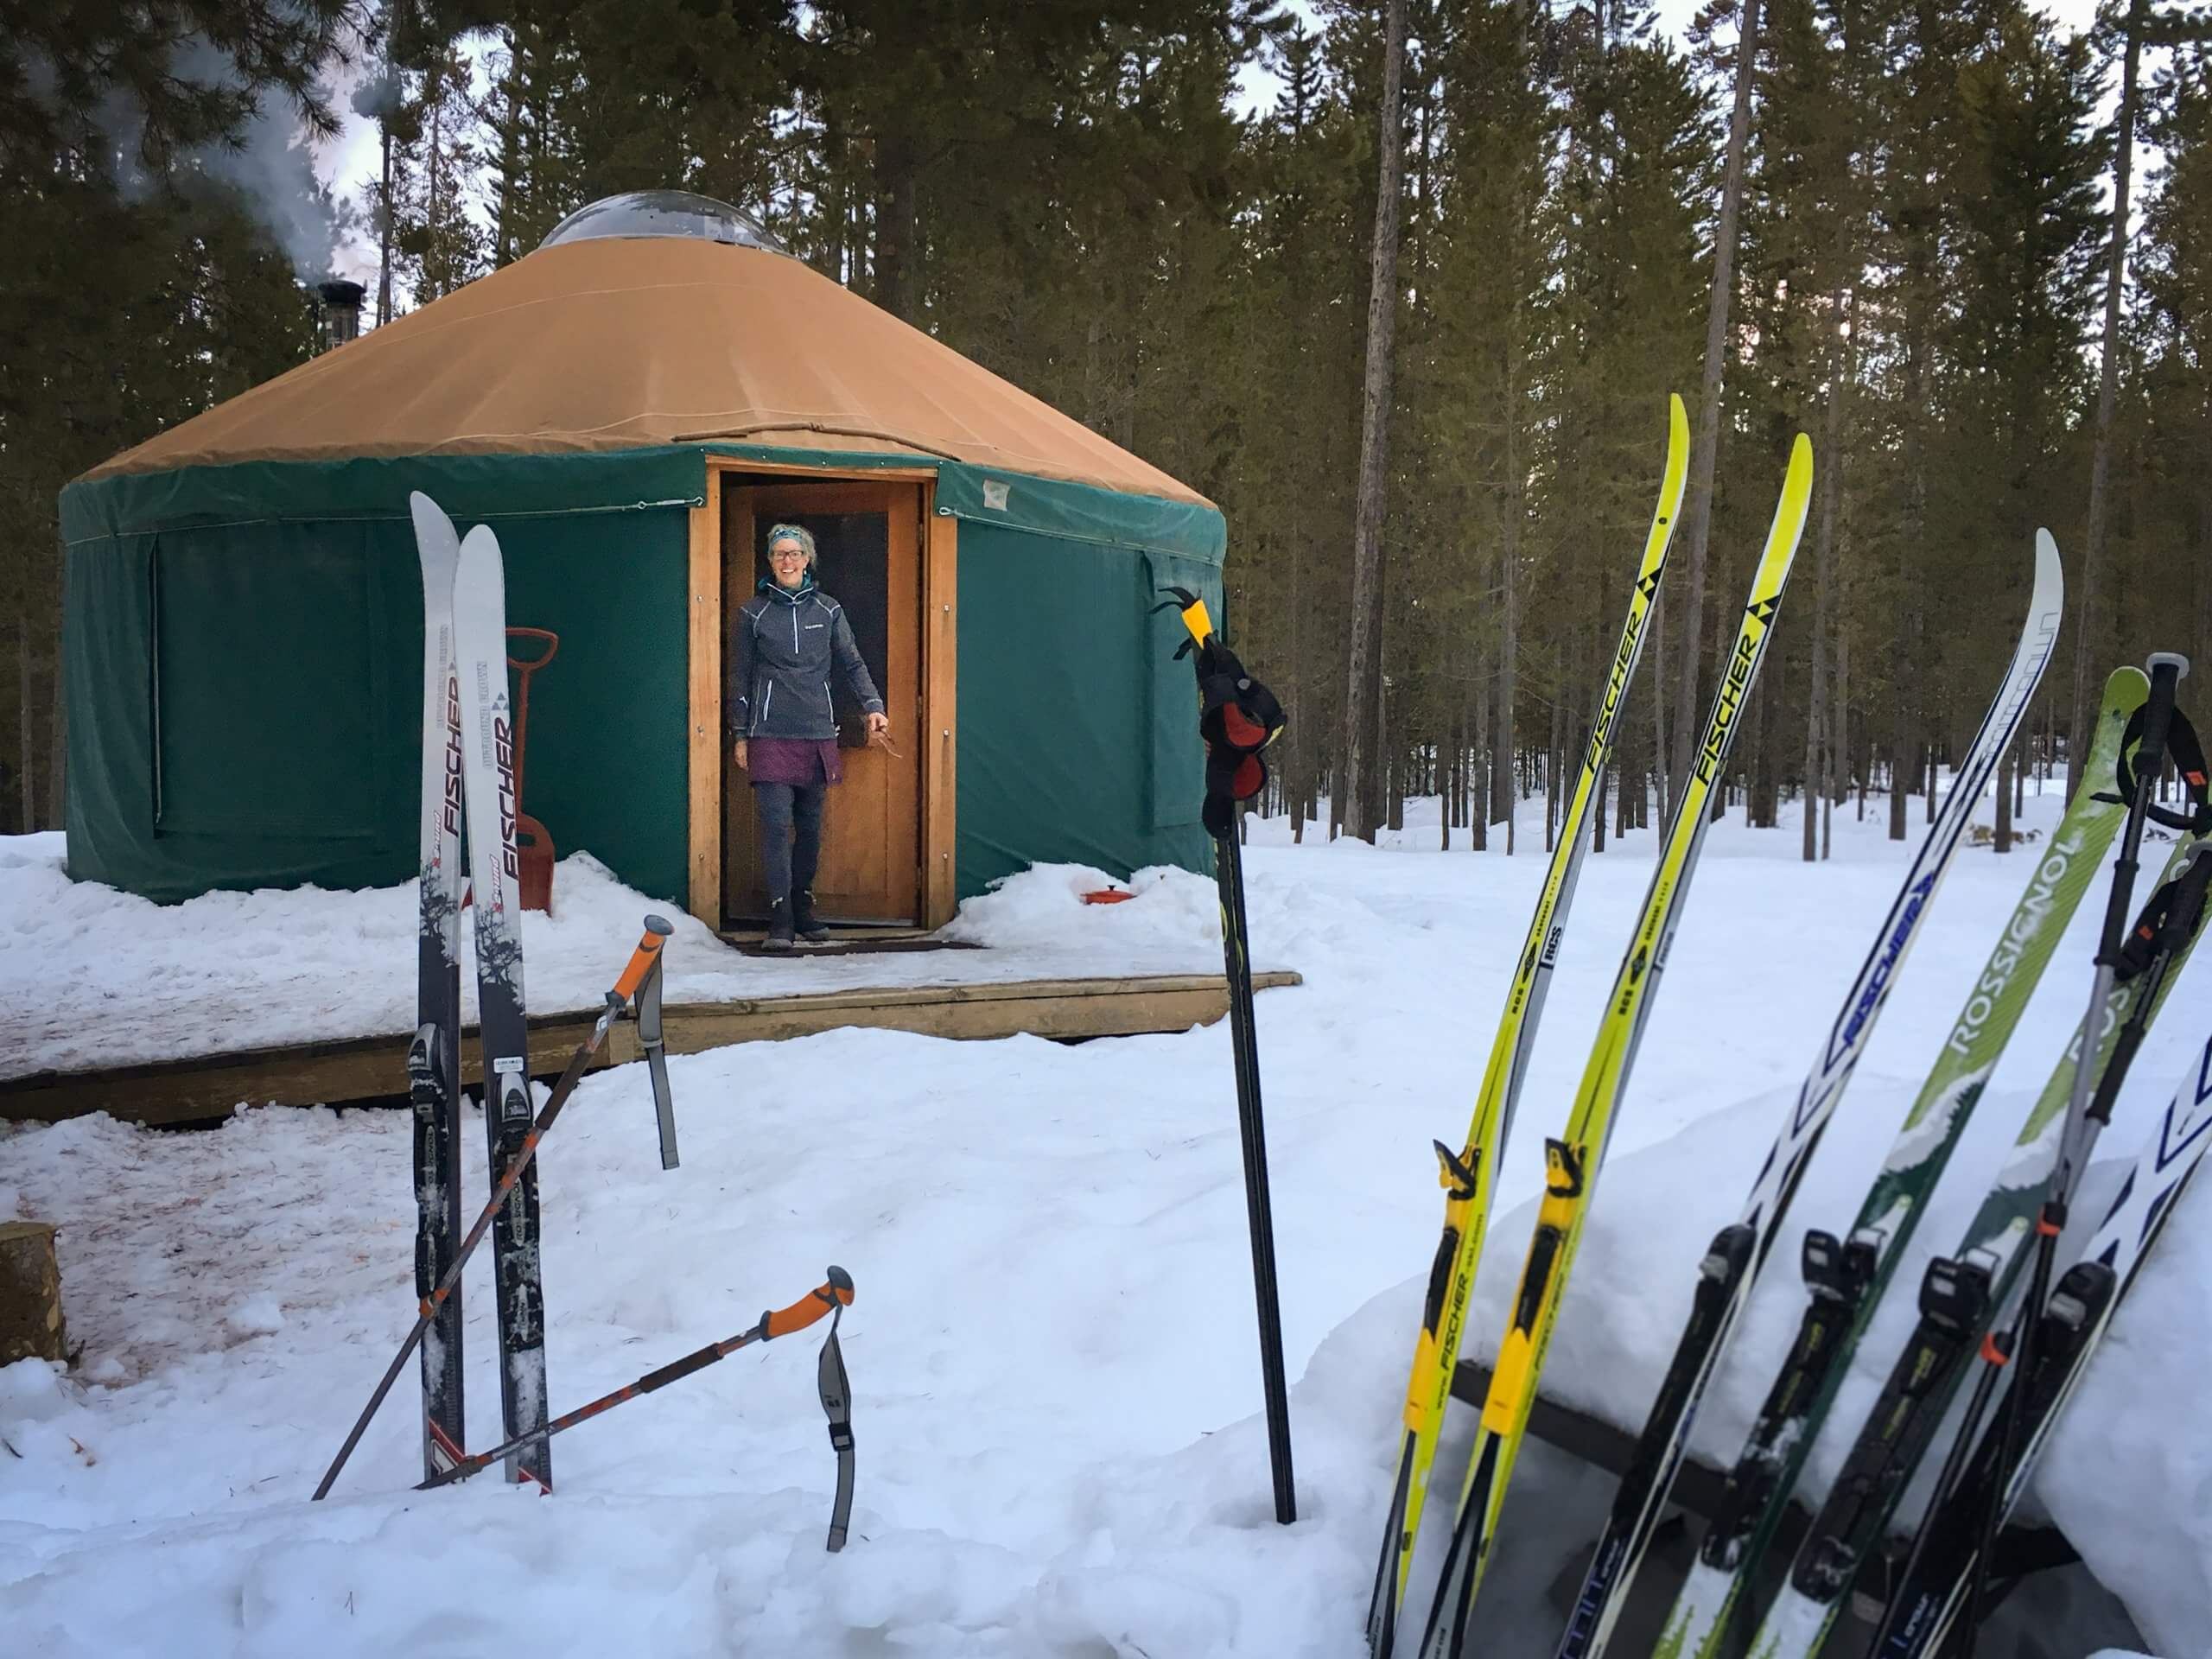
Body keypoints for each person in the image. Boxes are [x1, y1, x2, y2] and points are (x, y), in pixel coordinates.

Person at [727, 524, 890, 949]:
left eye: (794, 553)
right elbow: (740, 677)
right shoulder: (753, 613)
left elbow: (852, 663)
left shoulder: (828, 610)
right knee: (776, 827)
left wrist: (874, 706)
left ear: (807, 559)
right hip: (769, 732)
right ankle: (780, 919)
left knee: (811, 828)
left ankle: (803, 908)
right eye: (779, 554)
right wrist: (740, 734)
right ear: (770, 561)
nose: (787, 561)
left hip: (817, 730)